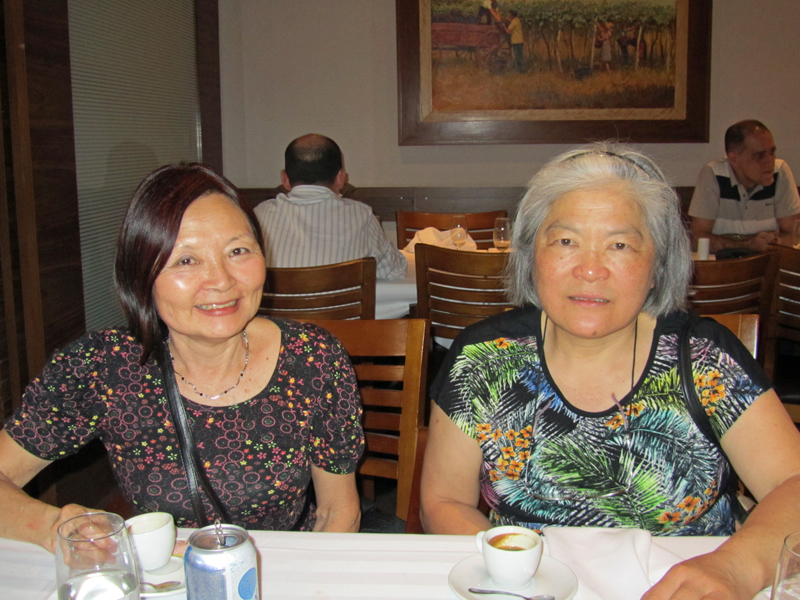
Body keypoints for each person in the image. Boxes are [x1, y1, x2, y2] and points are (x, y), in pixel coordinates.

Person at [420, 143, 800, 600]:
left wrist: (736, 569)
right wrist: (513, 574)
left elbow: (792, 483)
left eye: (619, 245)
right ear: (530, 255)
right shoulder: (484, 357)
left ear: (657, 267)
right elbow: (443, 501)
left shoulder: (703, 358)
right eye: (566, 241)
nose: (590, 269)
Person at [0, 163, 364, 553]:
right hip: (164, 575)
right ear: (141, 275)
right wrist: (53, 527)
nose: (221, 280)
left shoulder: (312, 359)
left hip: (283, 568)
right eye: (186, 261)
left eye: (238, 251)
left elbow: (337, 512)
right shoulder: (103, 367)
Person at [254, 134, 407, 280]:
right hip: (343, 300)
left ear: (285, 179)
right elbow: (394, 270)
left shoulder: (259, 216)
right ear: (341, 178)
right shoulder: (361, 215)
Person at [689, 119, 800, 253]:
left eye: (772, 152)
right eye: (760, 155)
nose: (770, 161)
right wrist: (749, 245)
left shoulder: (780, 172)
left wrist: (774, 243)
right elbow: (697, 240)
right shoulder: (714, 174)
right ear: (734, 159)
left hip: (768, 263)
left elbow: (794, 235)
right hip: (726, 264)